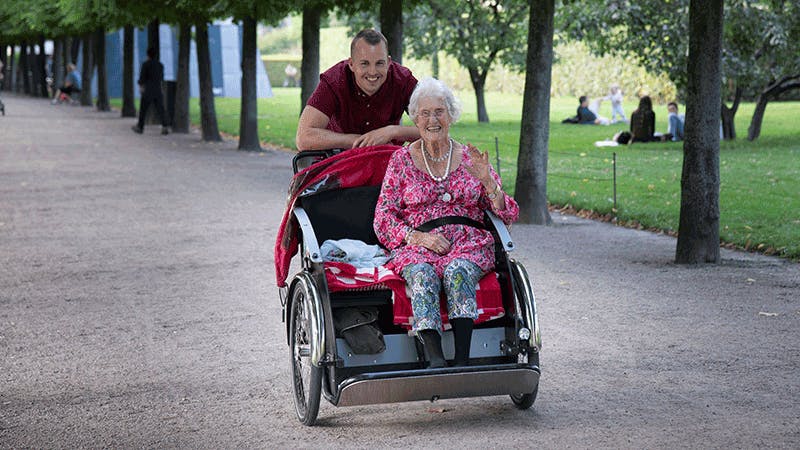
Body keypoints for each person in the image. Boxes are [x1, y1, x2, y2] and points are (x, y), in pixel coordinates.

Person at [373, 78, 519, 368]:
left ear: (451, 115)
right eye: (424, 113)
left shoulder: (470, 158)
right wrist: (418, 238)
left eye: (439, 111)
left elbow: (508, 214)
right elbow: (383, 218)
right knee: (423, 274)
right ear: (415, 118)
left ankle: (463, 359)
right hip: (419, 244)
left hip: (468, 243)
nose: (432, 120)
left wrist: (488, 181)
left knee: (457, 270)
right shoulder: (401, 161)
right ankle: (435, 359)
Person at [295, 29, 420, 151]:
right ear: (351, 64)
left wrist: (392, 131)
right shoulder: (334, 80)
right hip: (338, 159)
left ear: (388, 62)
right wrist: (361, 141)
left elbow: (436, 129)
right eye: (365, 63)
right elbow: (303, 138)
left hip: (388, 162)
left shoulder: (403, 80)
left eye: (379, 63)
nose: (372, 72)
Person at [132, 47, 169, 135]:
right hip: (157, 89)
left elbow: (142, 78)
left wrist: (141, 87)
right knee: (161, 109)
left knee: (143, 110)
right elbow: (161, 78)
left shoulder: (145, 64)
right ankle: (165, 127)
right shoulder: (160, 65)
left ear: (148, 54)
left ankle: (140, 127)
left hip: (148, 89)